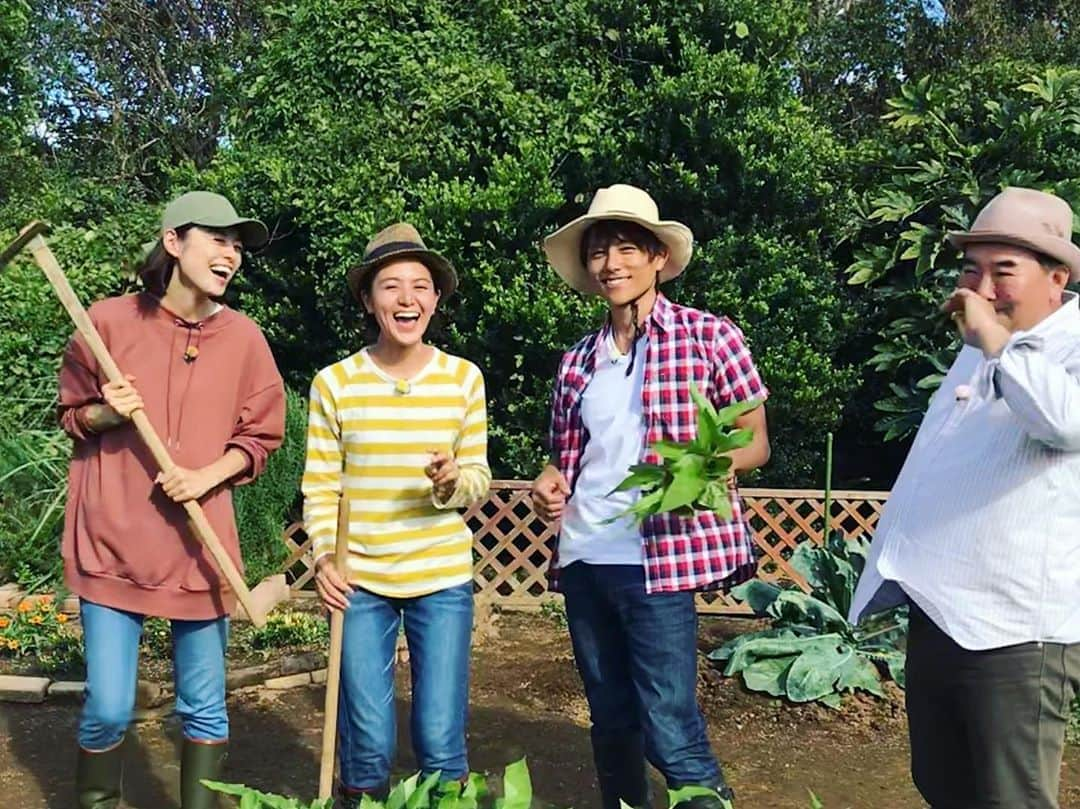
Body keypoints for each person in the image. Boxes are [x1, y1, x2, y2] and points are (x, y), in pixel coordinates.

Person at [530, 184, 770, 809]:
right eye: (599, 252)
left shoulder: (709, 337)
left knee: (668, 721)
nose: (611, 263)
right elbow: (566, 458)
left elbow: (754, 443)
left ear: (658, 257)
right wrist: (550, 483)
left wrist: (694, 469)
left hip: (659, 560)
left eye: (626, 248)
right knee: (610, 721)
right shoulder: (577, 361)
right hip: (586, 554)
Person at [850, 187, 1080, 809]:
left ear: (1057, 276)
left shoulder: (1062, 345)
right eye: (971, 269)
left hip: (1016, 629)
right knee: (944, 784)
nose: (982, 286)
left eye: (1003, 270)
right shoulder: (979, 346)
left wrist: (997, 342)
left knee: (1010, 797)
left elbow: (1065, 423)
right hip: (945, 610)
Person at [58, 191, 286, 808]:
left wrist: (207, 474)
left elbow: (261, 436)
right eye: (217, 238)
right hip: (111, 542)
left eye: (238, 246)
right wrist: (109, 411)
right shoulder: (105, 323)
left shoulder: (245, 339)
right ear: (173, 241)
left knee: (205, 710)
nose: (231, 254)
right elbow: (71, 415)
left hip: (198, 551)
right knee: (107, 708)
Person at [302, 223, 491, 805]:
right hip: (360, 581)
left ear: (436, 299)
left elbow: (478, 481)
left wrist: (452, 481)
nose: (406, 298)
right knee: (367, 737)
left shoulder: (463, 379)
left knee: (439, 734)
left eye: (420, 286)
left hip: (441, 578)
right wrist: (325, 556)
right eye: (390, 286)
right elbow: (320, 485)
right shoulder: (335, 383)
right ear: (368, 299)